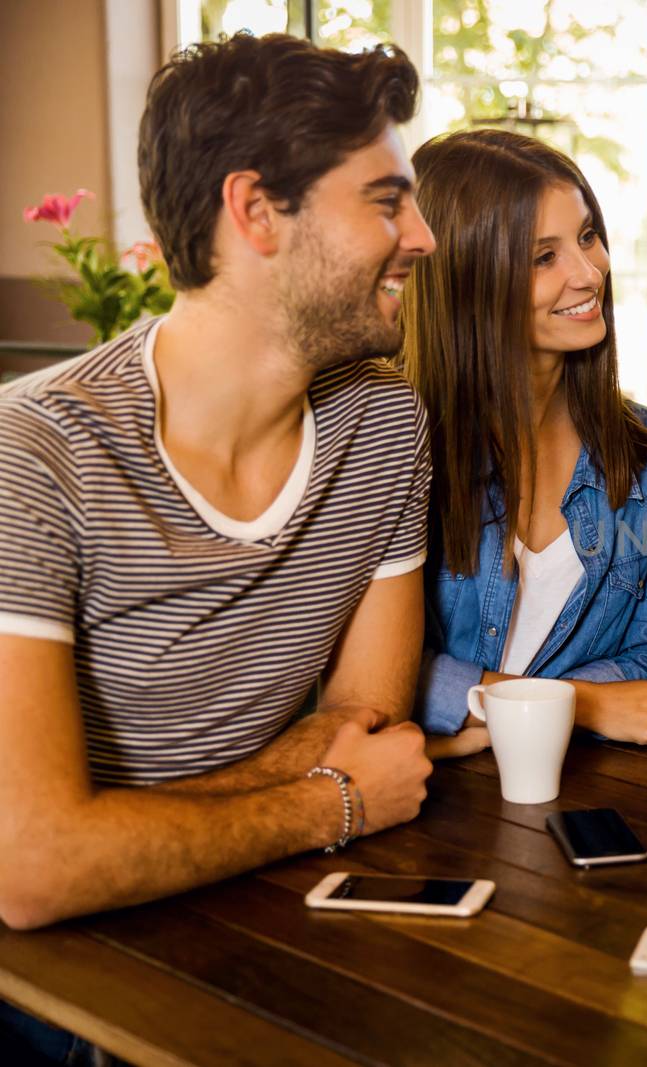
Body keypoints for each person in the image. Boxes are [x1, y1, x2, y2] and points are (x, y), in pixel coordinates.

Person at [0, 32, 438, 935]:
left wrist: (126, 830)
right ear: (256, 211)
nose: (423, 239)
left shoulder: (387, 429)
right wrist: (328, 804)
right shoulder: (34, 454)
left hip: (257, 912)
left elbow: (366, 726)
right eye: (387, 202)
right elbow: (33, 868)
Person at [401, 130, 647, 746]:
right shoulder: (398, 445)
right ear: (465, 279)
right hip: (420, 800)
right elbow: (368, 671)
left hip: (578, 788)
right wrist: (578, 704)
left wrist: (478, 715)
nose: (591, 274)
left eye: (588, 236)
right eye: (544, 257)